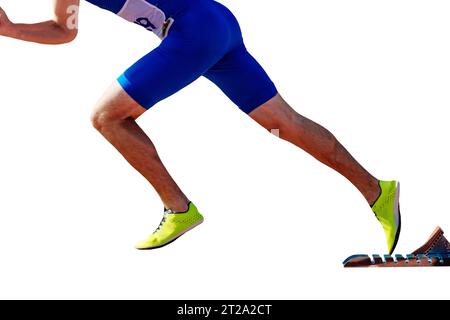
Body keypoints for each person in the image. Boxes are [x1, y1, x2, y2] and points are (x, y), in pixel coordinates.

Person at [0, 0, 401, 252]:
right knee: (284, 123)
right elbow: (64, 30)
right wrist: (9, 28)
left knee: (107, 117)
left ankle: (178, 209)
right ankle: (378, 192)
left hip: (193, 32)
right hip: (215, 25)